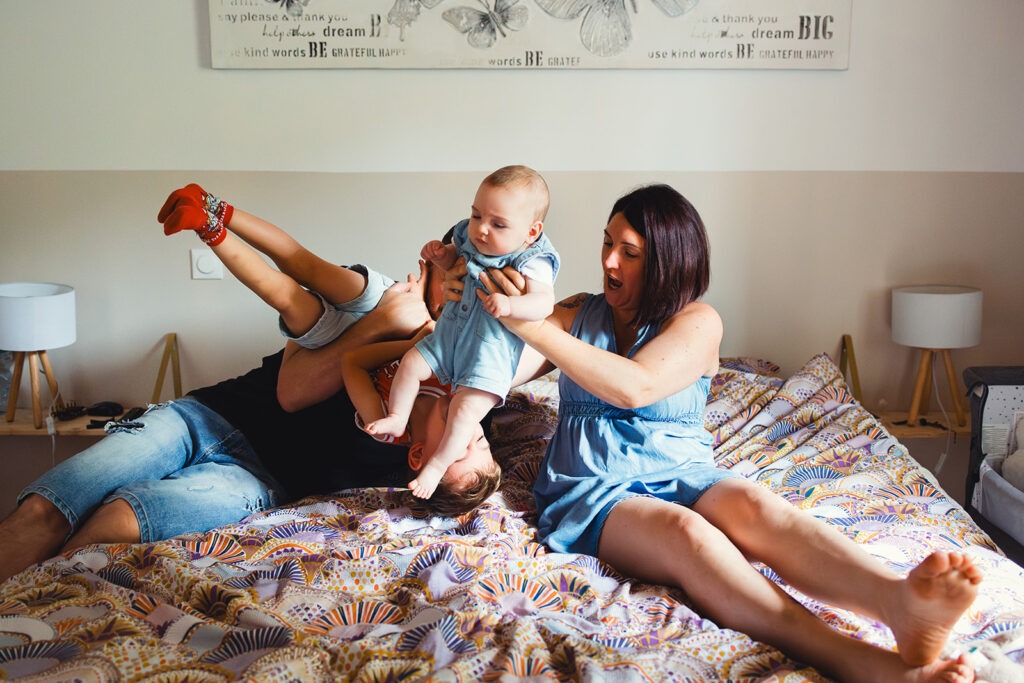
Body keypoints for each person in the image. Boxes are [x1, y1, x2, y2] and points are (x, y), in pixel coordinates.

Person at [472, 183, 983, 683]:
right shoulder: (576, 313)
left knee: (756, 506)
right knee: (689, 535)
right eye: (608, 242)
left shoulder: (697, 321)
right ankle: (856, 661)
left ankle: (897, 602)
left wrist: (529, 325)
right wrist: (471, 307)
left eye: (628, 252)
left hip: (684, 472)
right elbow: (500, 369)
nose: (609, 261)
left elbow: (636, 387)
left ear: (669, 262)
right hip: (591, 488)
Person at [0, 205, 469, 584]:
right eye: (452, 287)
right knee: (43, 511)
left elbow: (539, 350)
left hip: (259, 481)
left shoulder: (463, 397)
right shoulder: (373, 299)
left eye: (471, 299)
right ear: (427, 267)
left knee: (111, 525)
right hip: (202, 416)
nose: (455, 305)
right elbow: (291, 301)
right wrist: (385, 324)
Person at [158, 184, 500, 510]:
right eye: (456, 281)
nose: (461, 294)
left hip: (351, 334)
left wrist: (411, 337)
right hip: (382, 298)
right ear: (432, 265)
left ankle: (208, 227)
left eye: (471, 289)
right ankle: (212, 205)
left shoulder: (401, 420)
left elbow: (352, 364)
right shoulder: (451, 365)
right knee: (304, 264)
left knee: (288, 298)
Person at [365, 165, 559, 501]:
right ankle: (398, 417)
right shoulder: (470, 236)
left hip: (488, 358)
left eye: (498, 224)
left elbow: (544, 303)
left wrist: (513, 307)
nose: (482, 230)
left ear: (531, 231)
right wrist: (442, 256)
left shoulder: (534, 259)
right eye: (476, 215)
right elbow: (456, 259)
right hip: (448, 338)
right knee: (411, 363)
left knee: (465, 412)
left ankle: (439, 464)